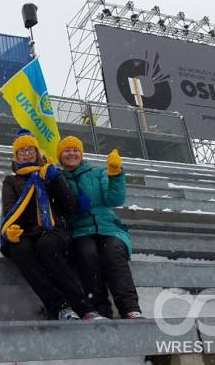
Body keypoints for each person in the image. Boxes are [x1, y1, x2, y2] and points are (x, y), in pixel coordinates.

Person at [0, 129, 100, 321]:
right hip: (26, 232)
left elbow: (69, 206)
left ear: (38, 153)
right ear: (16, 157)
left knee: (46, 246)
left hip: (53, 230)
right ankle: (60, 307)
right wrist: (10, 229)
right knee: (18, 249)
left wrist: (55, 179)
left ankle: (84, 308)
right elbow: (10, 208)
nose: (27, 153)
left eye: (31, 149)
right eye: (22, 151)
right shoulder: (11, 180)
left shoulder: (51, 173)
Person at [57, 136, 143, 319]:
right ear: (60, 155)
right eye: (66, 150)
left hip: (108, 227)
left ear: (81, 154)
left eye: (75, 150)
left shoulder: (97, 173)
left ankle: (129, 308)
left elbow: (114, 199)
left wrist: (116, 174)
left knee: (112, 251)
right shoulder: (59, 179)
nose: (71, 153)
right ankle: (99, 309)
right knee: (87, 253)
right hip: (80, 230)